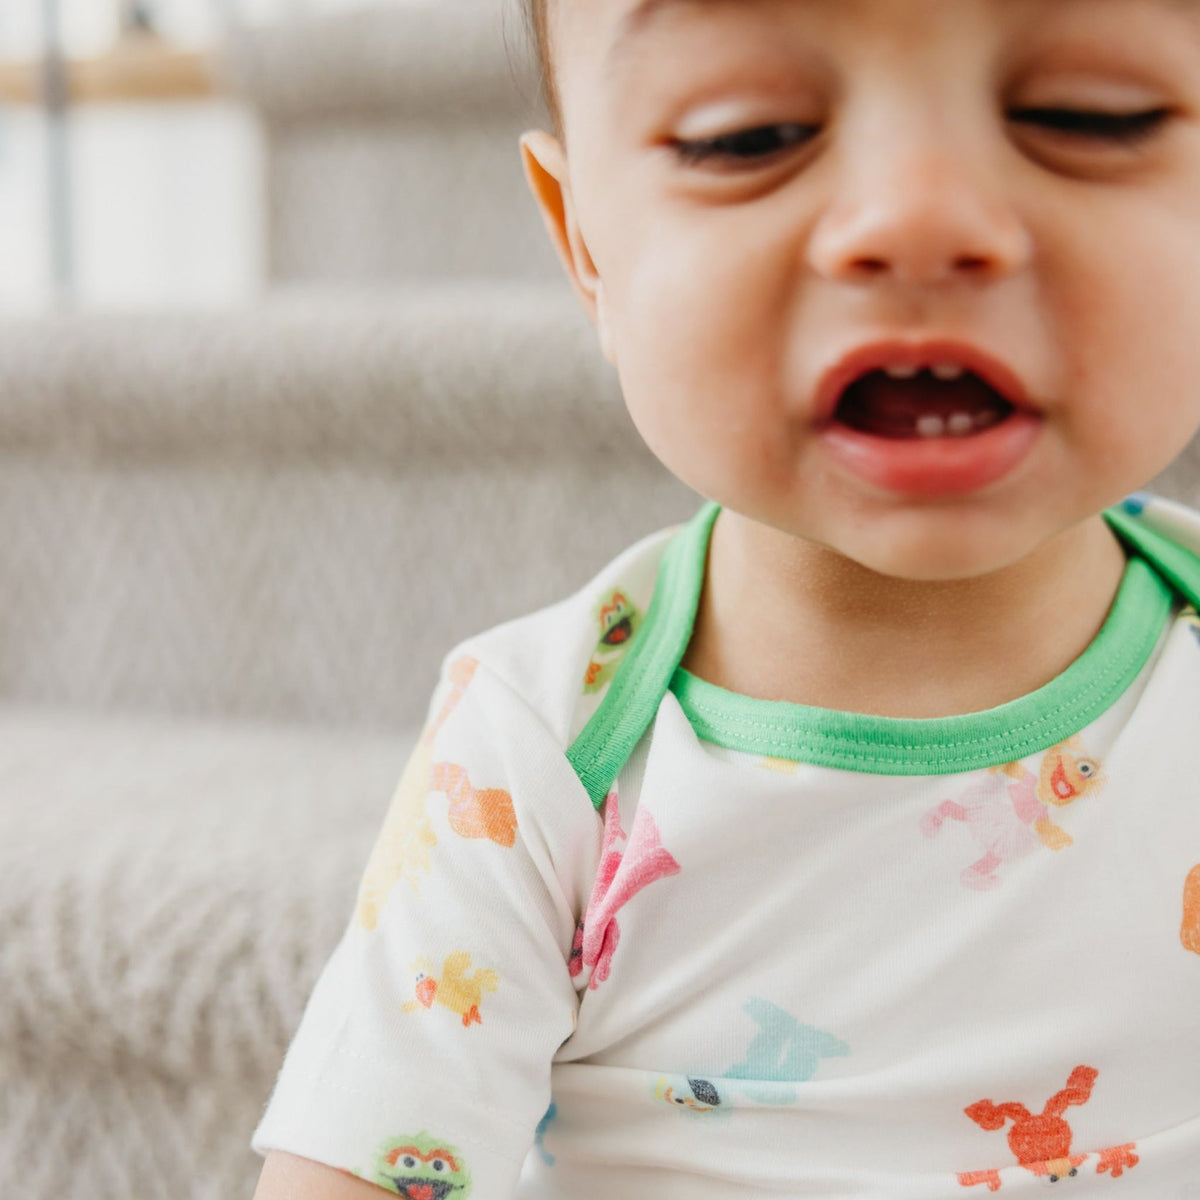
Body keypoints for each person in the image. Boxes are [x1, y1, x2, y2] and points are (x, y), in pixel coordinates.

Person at [250, 0, 1200, 1195]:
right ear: (584, 243)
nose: (921, 219)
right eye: (746, 135)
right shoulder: (541, 751)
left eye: (1087, 117)